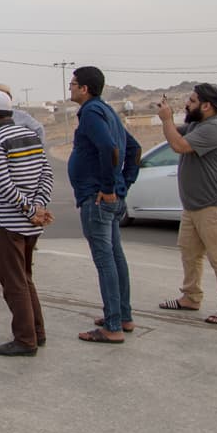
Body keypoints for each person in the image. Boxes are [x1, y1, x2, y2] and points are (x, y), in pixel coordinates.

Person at [156, 83, 217, 325]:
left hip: (216, 203)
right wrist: (168, 118)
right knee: (189, 252)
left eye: (192, 101)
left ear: (207, 105)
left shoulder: (216, 128)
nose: (188, 104)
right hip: (194, 205)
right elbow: (176, 132)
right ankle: (190, 297)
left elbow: (179, 145)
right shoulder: (197, 124)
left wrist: (166, 120)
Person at [0, 90, 55, 356]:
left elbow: (2, 181)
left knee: (14, 283)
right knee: (25, 278)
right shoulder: (30, 134)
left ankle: (25, 339)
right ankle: (37, 331)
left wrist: (27, 208)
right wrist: (38, 207)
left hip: (7, 223)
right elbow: (46, 173)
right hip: (29, 222)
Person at [67, 66, 135, 345]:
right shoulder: (107, 112)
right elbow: (134, 149)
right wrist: (123, 185)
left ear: (84, 89)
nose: (69, 87)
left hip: (97, 199)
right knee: (116, 257)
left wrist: (108, 189)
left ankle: (113, 326)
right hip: (109, 197)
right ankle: (123, 315)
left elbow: (109, 148)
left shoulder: (92, 113)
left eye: (73, 84)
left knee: (105, 261)